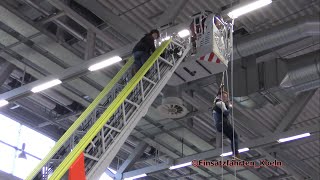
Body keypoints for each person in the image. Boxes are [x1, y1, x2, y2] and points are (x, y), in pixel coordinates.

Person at [212, 88, 240, 158]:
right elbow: (226, 113)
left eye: (226, 97)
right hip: (223, 123)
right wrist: (230, 107)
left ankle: (234, 153)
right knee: (235, 137)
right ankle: (235, 154)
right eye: (224, 97)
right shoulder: (220, 103)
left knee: (232, 138)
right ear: (219, 96)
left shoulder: (215, 104)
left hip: (219, 126)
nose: (225, 98)